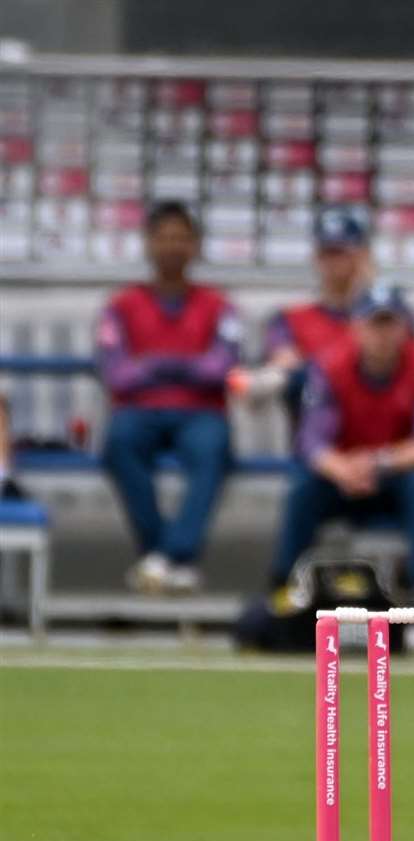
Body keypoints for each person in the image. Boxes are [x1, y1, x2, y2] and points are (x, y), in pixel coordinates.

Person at [266, 282, 414, 615]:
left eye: (389, 324)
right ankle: (284, 596)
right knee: (302, 490)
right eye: (374, 324)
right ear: (356, 327)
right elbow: (311, 440)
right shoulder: (330, 366)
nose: (381, 335)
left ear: (404, 327)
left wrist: (376, 462)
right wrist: (341, 468)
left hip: (401, 476)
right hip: (347, 476)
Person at [97, 201, 241, 594]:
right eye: (163, 237)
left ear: (195, 246)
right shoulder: (121, 306)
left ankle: (168, 556)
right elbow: (117, 373)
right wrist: (185, 365)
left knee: (213, 448)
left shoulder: (218, 304)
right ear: (147, 244)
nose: (172, 246)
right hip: (138, 411)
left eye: (181, 238)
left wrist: (153, 364)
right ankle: (167, 555)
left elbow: (222, 367)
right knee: (119, 443)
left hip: (200, 411)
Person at [231, 206, 372, 420]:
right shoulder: (291, 319)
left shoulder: (385, 317)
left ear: (361, 256)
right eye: (327, 252)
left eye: (342, 252)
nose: (334, 261)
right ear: (316, 256)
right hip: (316, 432)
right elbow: (284, 365)